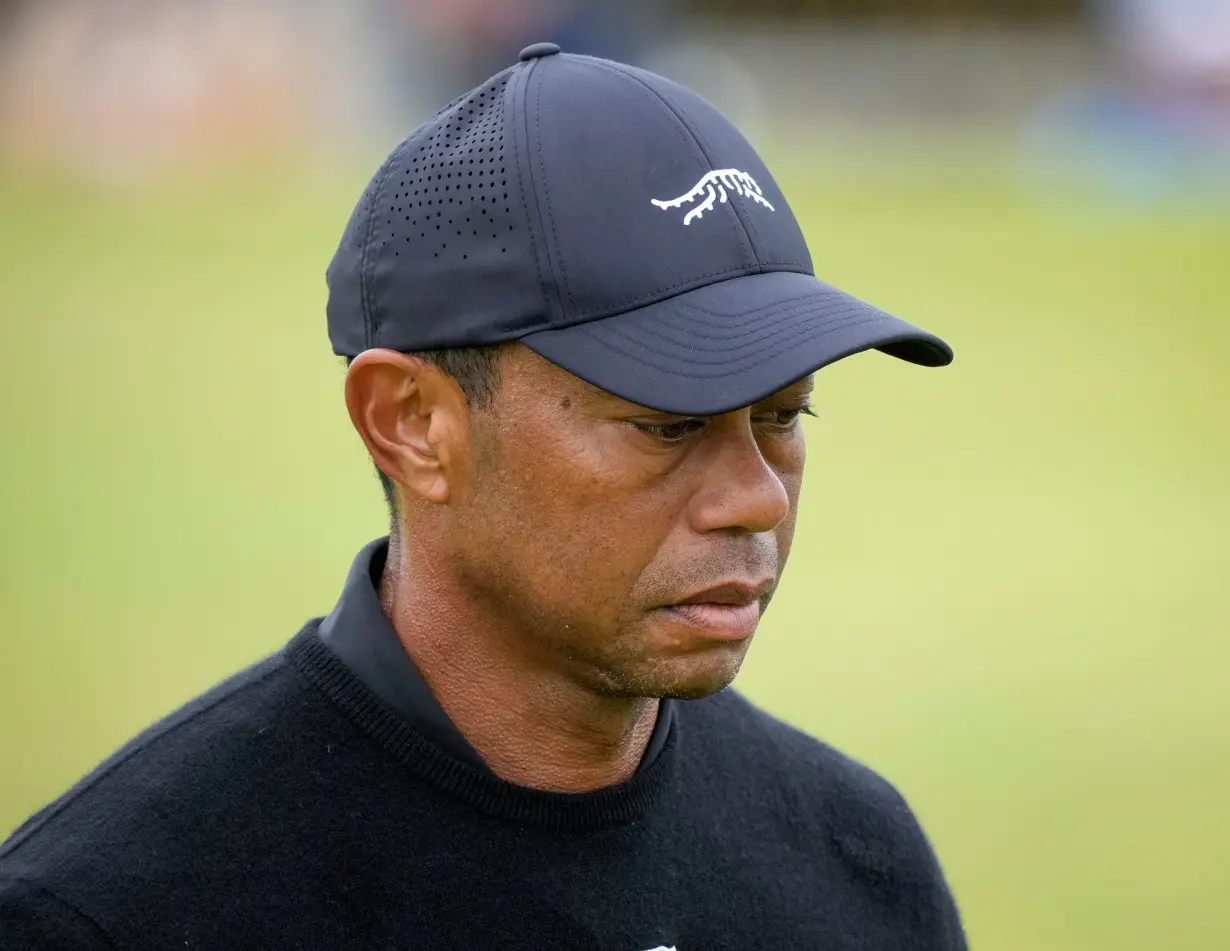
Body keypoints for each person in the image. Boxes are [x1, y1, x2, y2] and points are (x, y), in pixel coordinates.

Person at [0, 43, 965, 949]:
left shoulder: (860, 868)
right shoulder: (110, 913)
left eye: (784, 417)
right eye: (668, 425)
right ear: (412, 423)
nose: (756, 499)